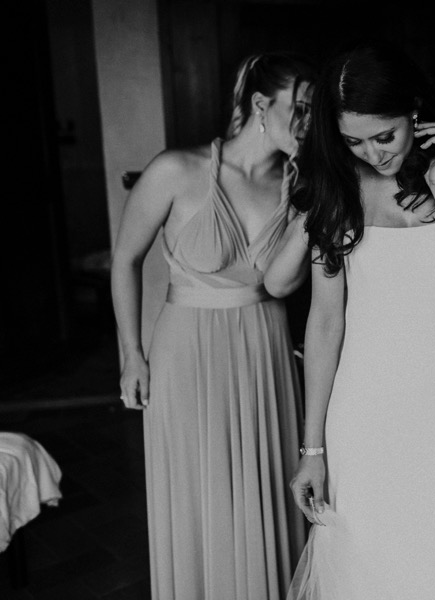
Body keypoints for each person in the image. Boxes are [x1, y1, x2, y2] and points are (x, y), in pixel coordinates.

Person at [275, 42, 435, 600]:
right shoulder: (337, 181)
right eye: (354, 141)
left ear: (414, 110)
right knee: (367, 570)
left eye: (384, 136)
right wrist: (312, 451)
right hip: (364, 414)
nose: (373, 154)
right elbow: (325, 323)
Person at [110, 52, 314, 599]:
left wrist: (310, 207)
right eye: (299, 108)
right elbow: (125, 260)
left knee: (265, 484)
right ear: (260, 104)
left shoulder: (297, 184)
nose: (307, 122)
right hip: (187, 351)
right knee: (200, 493)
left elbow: (283, 286)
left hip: (265, 348)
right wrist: (131, 354)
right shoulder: (176, 170)